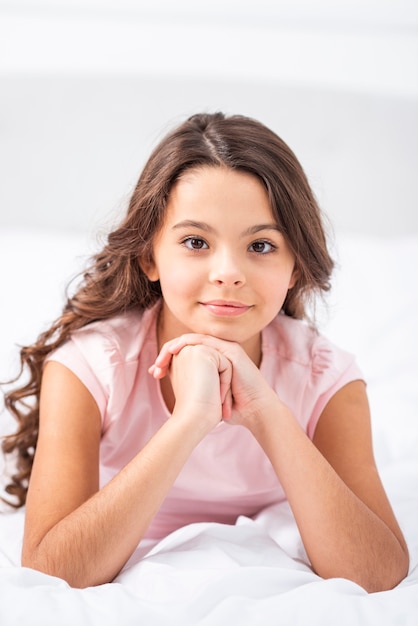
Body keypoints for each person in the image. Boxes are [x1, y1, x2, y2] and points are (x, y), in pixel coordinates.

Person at [1, 112, 408, 591]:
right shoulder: (89, 368)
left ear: (295, 266)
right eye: (196, 242)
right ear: (150, 256)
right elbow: (51, 569)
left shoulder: (325, 378)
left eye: (260, 245)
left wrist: (264, 410)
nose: (228, 272)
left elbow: (379, 574)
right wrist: (190, 419)